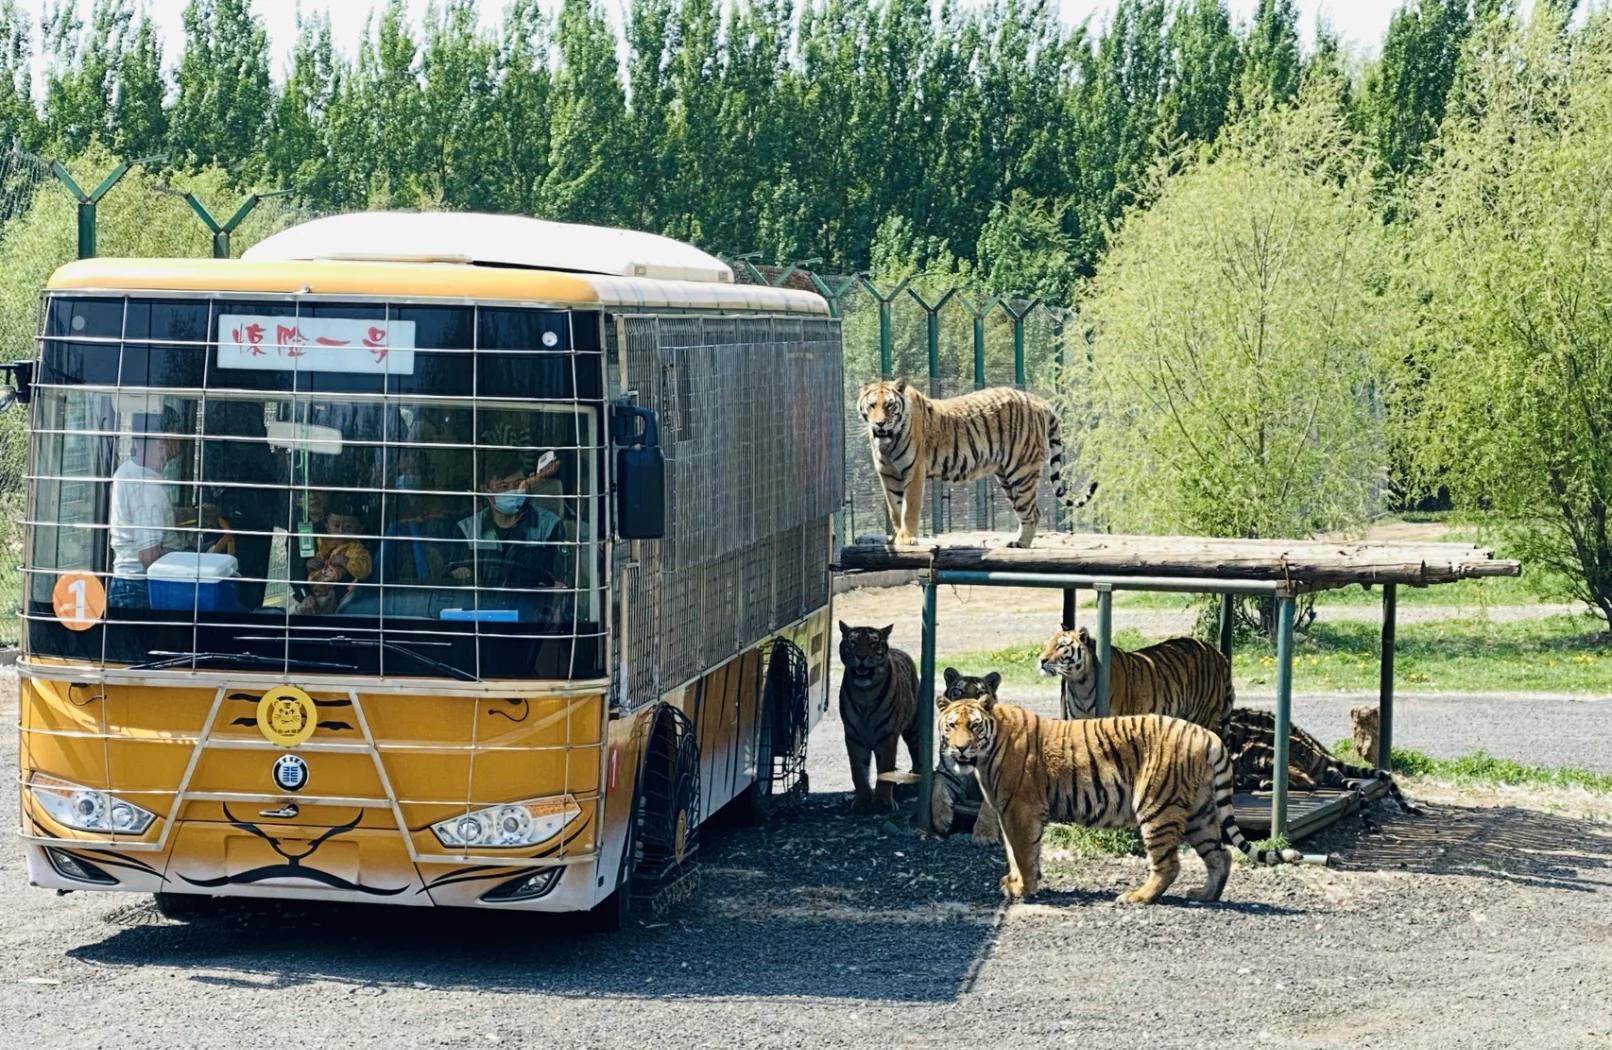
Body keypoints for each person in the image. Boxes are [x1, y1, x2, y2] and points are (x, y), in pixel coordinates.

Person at [452, 449, 567, 595]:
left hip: (533, 611)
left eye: (518, 485)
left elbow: (559, 582)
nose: (513, 492)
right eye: (504, 487)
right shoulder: (467, 530)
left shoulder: (549, 526)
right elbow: (455, 581)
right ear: (485, 490)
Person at [108, 411, 185, 608]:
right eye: (176, 438)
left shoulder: (126, 471)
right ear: (161, 440)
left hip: (125, 584)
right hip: (142, 589)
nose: (178, 446)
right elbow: (149, 556)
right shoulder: (147, 486)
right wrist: (185, 556)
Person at [294, 495, 374, 615]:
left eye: (347, 527)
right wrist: (311, 564)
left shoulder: (358, 549)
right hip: (315, 592)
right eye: (336, 526)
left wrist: (346, 562)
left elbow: (364, 571)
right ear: (327, 526)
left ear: (359, 529)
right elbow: (314, 565)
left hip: (341, 596)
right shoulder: (322, 543)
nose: (341, 531)